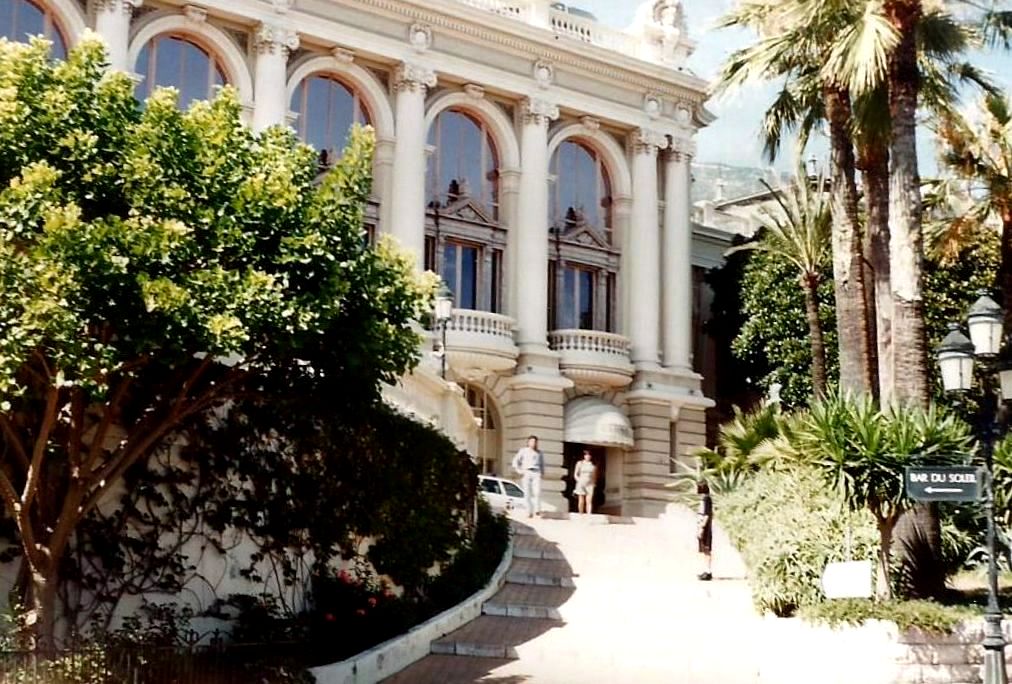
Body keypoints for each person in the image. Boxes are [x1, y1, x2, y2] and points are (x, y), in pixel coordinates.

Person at [511, 435, 544, 518]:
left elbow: (542, 464)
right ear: (528, 442)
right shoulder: (523, 451)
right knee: (527, 493)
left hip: (536, 472)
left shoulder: (539, 453)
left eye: (535, 442)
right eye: (532, 441)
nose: (534, 443)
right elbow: (515, 461)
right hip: (527, 471)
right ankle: (529, 511)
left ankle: (537, 510)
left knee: (537, 492)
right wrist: (519, 470)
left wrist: (542, 473)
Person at [697, 480, 713, 581]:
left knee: (707, 549)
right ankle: (706, 570)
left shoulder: (706, 499)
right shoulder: (705, 499)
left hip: (705, 527)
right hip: (703, 526)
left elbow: (706, 515)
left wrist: (702, 528)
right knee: (705, 550)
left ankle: (708, 571)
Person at [572, 450, 597, 515]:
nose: (588, 456)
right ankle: (581, 513)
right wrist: (578, 480)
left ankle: (589, 514)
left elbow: (594, 475)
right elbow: (575, 474)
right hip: (581, 482)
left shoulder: (593, 465)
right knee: (581, 500)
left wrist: (594, 483)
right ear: (584, 456)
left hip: (590, 483)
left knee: (589, 500)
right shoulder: (580, 463)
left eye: (589, 455)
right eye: (586, 455)